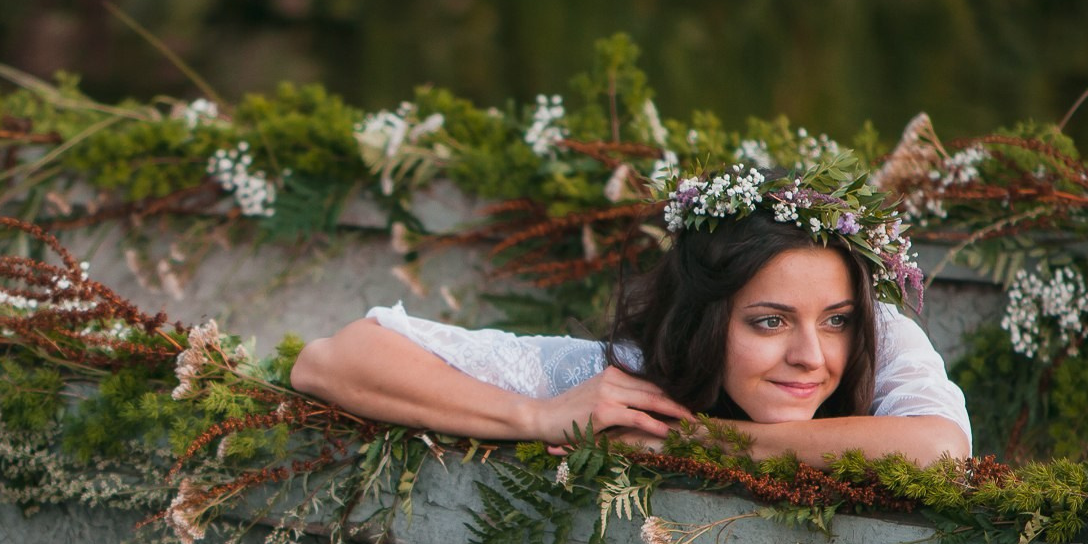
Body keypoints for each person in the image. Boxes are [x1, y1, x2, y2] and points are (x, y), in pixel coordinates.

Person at [289, 163, 971, 466]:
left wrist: (701, 444)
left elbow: (940, 450)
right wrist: (534, 417)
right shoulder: (634, 384)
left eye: (834, 320)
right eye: (768, 321)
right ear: (703, 323)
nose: (812, 356)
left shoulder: (879, 335)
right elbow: (331, 358)